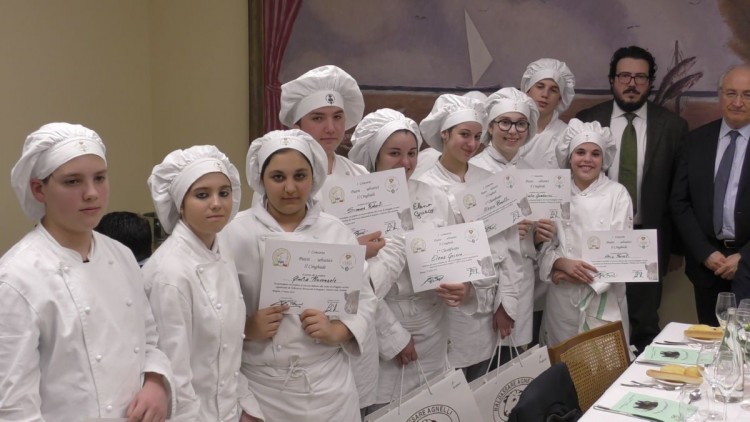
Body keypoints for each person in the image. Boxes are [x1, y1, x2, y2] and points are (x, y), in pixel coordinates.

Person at [0, 122, 174, 420]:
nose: (92, 193)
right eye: (73, 181)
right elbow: (14, 406)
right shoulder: (17, 278)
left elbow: (148, 339)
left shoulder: (121, 255)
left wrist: (155, 381)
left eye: (100, 178)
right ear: (39, 189)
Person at [222, 129, 376, 421]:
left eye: (300, 176)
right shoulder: (234, 234)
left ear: (314, 177)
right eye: (278, 177)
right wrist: (246, 327)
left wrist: (336, 331)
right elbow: (213, 308)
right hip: (262, 390)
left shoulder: (336, 232)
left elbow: (364, 300)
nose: (290, 188)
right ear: (261, 180)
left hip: (329, 387)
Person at [277, 64, 381, 411]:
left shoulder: (361, 176)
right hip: (305, 325)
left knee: (356, 408)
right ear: (298, 124)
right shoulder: (283, 182)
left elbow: (389, 243)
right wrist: (352, 254)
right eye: (318, 118)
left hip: (355, 318)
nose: (331, 128)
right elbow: (280, 256)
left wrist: (362, 266)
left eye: (337, 117)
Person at [348, 108, 468, 407]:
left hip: (434, 322)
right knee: (387, 408)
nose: (406, 162)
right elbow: (356, 284)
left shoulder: (434, 196)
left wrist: (461, 285)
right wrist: (394, 338)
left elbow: (454, 255)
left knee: (433, 407)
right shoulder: (356, 202)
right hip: (383, 324)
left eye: (412, 153)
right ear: (374, 154)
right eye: (394, 153)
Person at [575, 46, 688, 352]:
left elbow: (678, 191)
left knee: (644, 323)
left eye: (640, 77)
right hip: (594, 239)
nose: (632, 83)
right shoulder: (587, 119)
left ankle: (639, 378)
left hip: (646, 239)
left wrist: (676, 248)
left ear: (650, 82)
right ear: (612, 80)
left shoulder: (673, 127)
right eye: (624, 76)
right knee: (594, 319)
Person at [143, 145, 263, 421]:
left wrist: (243, 407)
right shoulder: (169, 274)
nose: (217, 203)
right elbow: (174, 376)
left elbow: (228, 351)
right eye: (202, 195)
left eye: (224, 193)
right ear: (180, 203)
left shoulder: (220, 251)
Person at [417, 93, 522, 381]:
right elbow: (425, 255)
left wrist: (506, 303)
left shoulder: (490, 182)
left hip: (488, 309)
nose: (472, 144)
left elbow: (511, 248)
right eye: (464, 135)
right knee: (449, 384)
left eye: (477, 136)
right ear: (444, 133)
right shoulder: (423, 187)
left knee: (482, 384)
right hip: (446, 308)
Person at [539, 119, 633, 346]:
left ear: (604, 159)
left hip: (604, 297)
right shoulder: (553, 192)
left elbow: (622, 253)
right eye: (580, 152)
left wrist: (576, 276)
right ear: (569, 156)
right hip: (562, 301)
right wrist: (560, 263)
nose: (587, 159)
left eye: (595, 154)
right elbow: (543, 245)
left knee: (603, 362)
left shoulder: (617, 194)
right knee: (561, 360)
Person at [469, 88, 546, 357]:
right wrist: (506, 229)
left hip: (522, 280)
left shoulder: (533, 174)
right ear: (490, 127)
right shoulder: (473, 170)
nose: (513, 131)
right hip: (485, 282)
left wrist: (538, 235)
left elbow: (533, 239)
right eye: (505, 122)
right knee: (481, 363)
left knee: (514, 363)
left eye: (521, 124)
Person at [671, 64, 750, 325]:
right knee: (709, 341)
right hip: (708, 268)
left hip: (748, 263)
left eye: (747, 95)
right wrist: (705, 253)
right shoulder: (696, 140)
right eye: (731, 93)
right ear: (720, 95)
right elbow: (680, 202)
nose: (737, 102)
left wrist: (744, 257)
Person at [517, 58, 576, 346]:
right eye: (539, 86)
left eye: (553, 89)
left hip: (549, 234)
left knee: (540, 312)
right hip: (514, 230)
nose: (545, 94)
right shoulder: (512, 127)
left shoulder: (566, 135)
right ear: (527, 89)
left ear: (561, 97)